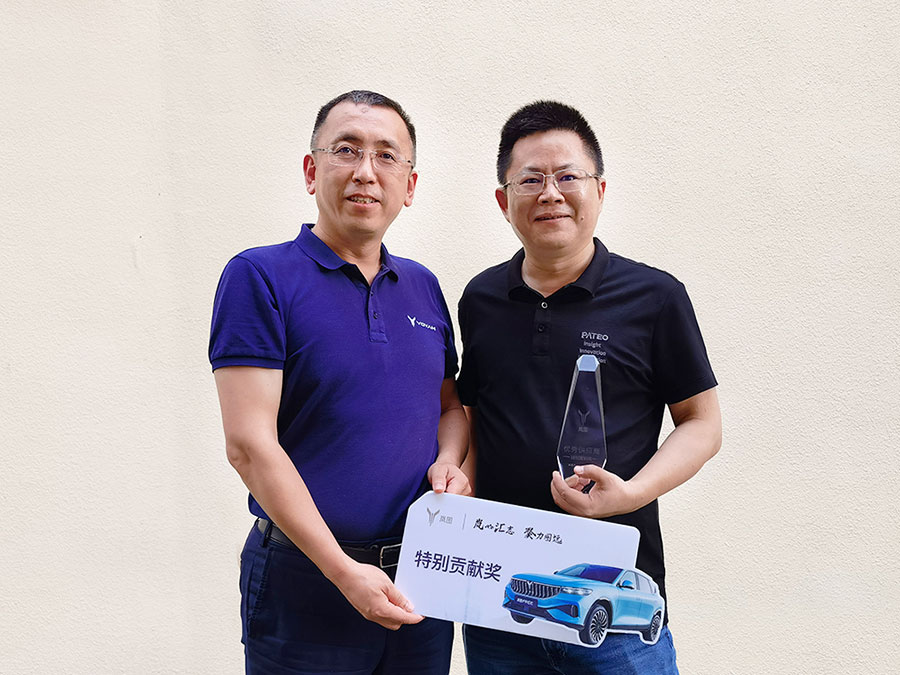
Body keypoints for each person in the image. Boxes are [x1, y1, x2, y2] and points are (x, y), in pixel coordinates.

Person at [209, 90, 469, 674]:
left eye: (386, 156)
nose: (366, 172)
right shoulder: (260, 276)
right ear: (311, 171)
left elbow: (450, 406)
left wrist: (451, 461)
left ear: (410, 185)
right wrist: (343, 572)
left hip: (420, 580)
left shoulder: (423, 287)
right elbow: (248, 445)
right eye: (346, 150)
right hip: (306, 582)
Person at [457, 101, 722, 674]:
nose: (550, 194)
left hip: (619, 602)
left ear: (599, 190)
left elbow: (702, 424)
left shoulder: (655, 298)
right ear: (504, 201)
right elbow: (475, 418)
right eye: (530, 180)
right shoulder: (480, 299)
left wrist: (632, 493)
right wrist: (458, 484)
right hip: (502, 600)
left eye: (567, 176)